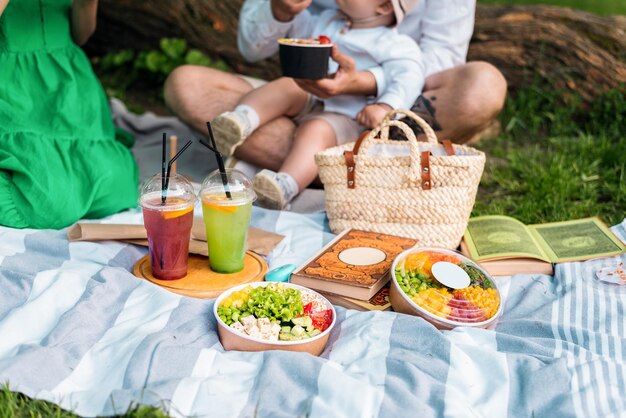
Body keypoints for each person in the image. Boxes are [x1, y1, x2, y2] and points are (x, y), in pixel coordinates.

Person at [163, 0, 507, 190]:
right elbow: (255, 48)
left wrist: (368, 84)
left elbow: (433, 61)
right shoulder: (331, 17)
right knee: (186, 85)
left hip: (376, 113)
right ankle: (339, 170)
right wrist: (280, 11)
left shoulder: (395, 42)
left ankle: (300, 173)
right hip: (305, 98)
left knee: (483, 86)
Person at [211, 0, 423, 209]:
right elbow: (299, 32)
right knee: (288, 85)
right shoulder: (329, 19)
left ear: (384, 7)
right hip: (313, 95)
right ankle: (240, 120)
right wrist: (286, 12)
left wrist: (385, 107)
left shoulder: (394, 43)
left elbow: (410, 77)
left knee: (316, 131)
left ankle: (285, 185)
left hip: (347, 115)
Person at [0, 0, 138, 229]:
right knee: (44, 202)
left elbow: (80, 34)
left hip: (69, 82)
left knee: (118, 188)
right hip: (12, 86)